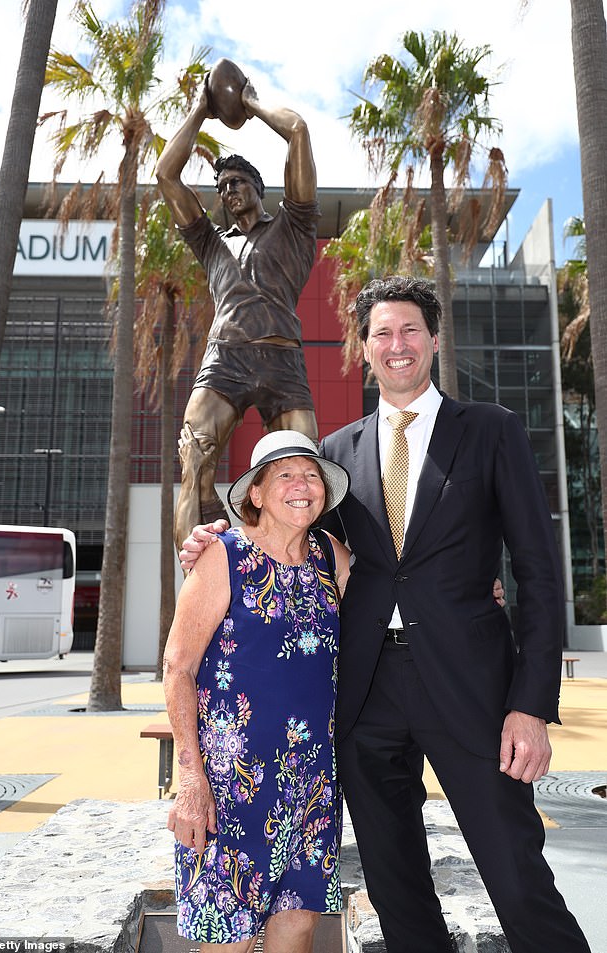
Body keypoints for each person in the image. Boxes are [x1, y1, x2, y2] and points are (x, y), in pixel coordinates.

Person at [179, 275, 592, 953]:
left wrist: (531, 705)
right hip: (365, 696)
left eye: (409, 330)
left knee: (517, 877)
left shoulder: (492, 430)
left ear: (432, 340)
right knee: (397, 890)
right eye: (381, 334)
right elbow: (294, 547)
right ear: (363, 349)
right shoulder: (334, 457)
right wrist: (215, 538)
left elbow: (540, 576)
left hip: (474, 691)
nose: (396, 345)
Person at [162, 430, 351, 952]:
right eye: (284, 475)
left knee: (299, 926)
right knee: (229, 938)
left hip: (311, 781)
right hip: (231, 786)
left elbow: (401, 597)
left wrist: (477, 587)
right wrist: (191, 777)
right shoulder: (222, 555)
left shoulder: (331, 557)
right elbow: (177, 666)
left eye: (312, 475)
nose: (302, 485)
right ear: (257, 494)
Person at [156, 73, 320, 552]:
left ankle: (298, 575)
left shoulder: (295, 225)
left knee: (304, 475)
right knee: (195, 459)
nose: (228, 191)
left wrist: (248, 102)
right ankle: (197, 580)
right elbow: (167, 174)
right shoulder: (212, 244)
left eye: (237, 182)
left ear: (258, 188)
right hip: (225, 359)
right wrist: (201, 109)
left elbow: (299, 132)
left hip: (281, 361)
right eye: (222, 186)